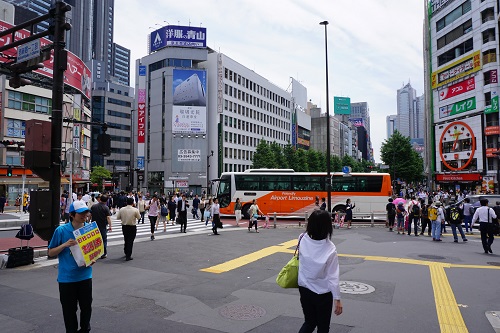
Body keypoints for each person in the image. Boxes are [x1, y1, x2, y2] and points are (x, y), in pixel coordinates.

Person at [47, 201, 94, 333]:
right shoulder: (61, 231)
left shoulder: (89, 229)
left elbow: (93, 251)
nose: (85, 215)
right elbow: (50, 252)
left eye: (86, 212)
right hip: (67, 278)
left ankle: (85, 329)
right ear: (72, 215)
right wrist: (64, 245)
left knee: (86, 308)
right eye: (81, 213)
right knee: (69, 311)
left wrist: (92, 259)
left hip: (85, 275)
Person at [298, 210, 343, 332]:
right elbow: (333, 276)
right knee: (323, 327)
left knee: (309, 322)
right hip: (322, 293)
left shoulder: (302, 238)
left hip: (304, 288)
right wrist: (337, 299)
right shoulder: (330, 248)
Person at [90, 194, 112, 259]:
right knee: (103, 239)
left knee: (95, 239)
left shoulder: (94, 206)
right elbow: (108, 217)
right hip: (102, 225)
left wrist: (88, 222)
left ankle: (96, 252)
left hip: (94, 225)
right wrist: (110, 226)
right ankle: (103, 253)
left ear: (100, 199)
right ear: (106, 201)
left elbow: (90, 215)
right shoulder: (106, 207)